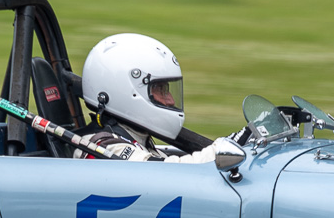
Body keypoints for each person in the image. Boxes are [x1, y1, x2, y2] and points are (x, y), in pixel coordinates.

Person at [76, 33, 241, 165]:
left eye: (167, 90)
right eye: (160, 89)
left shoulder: (137, 139)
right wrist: (219, 149)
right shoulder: (102, 147)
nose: (170, 100)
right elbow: (164, 174)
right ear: (122, 89)